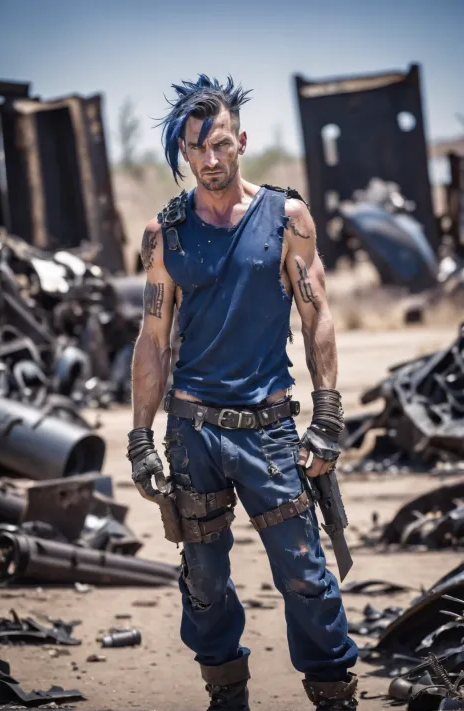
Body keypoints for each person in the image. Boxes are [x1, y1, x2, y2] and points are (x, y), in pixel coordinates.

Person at [127, 75, 359, 711]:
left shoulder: (286, 218)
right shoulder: (163, 235)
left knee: (307, 578)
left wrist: (329, 414)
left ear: (241, 143)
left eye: (220, 144)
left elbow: (318, 317)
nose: (209, 158)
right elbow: (151, 341)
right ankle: (227, 699)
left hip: (271, 431)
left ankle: (335, 697)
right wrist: (140, 438)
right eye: (196, 148)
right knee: (204, 582)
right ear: (183, 153)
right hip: (193, 433)